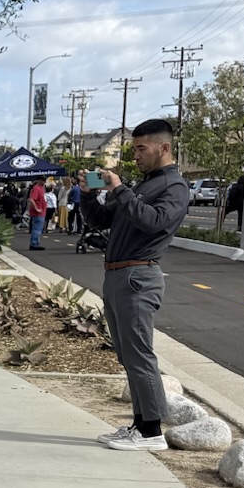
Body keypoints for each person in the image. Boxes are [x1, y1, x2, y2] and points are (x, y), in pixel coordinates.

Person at [85, 118, 190, 451]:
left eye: (141, 149)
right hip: (118, 275)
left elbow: (153, 221)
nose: (136, 156)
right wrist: (88, 196)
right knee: (128, 355)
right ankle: (140, 425)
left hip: (137, 277)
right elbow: (103, 219)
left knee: (140, 354)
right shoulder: (145, 185)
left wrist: (120, 189)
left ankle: (150, 431)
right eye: (134, 149)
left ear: (164, 148)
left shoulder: (174, 187)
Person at [26, 178, 48, 248]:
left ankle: (36, 243)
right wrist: (36, 208)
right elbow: (32, 199)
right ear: (39, 180)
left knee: (38, 228)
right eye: (43, 180)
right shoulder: (36, 189)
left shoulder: (41, 189)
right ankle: (34, 243)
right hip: (38, 213)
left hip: (42, 212)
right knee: (37, 228)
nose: (44, 182)